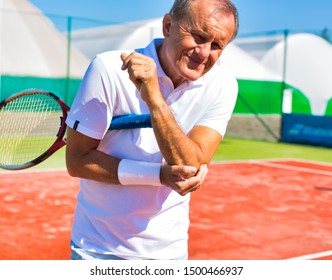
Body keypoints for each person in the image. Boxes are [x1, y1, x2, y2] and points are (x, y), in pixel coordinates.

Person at [65, 0, 239, 260]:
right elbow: (77, 160)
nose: (204, 53)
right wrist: (158, 175)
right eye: (198, 37)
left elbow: (188, 166)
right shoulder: (108, 68)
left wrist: (154, 98)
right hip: (97, 250)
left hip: (169, 254)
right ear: (168, 26)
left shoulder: (223, 85)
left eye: (216, 45)